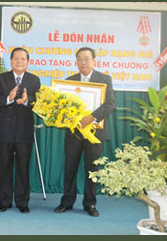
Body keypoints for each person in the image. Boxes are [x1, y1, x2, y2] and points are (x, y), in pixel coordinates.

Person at [54, 47, 115, 217]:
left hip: (95, 133)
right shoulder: (69, 81)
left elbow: (110, 104)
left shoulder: (104, 79)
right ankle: (67, 201)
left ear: (94, 60)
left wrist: (91, 117)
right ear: (76, 62)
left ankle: (90, 203)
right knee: (70, 168)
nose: (83, 62)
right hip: (74, 133)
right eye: (80, 59)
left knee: (92, 169)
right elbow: (63, 107)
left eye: (87, 59)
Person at [0, 47, 40, 214]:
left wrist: (27, 101)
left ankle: (22, 202)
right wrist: (8, 99)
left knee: (23, 168)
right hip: (5, 130)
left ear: (28, 62)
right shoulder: (1, 78)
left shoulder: (34, 80)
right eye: (16, 59)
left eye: (23, 59)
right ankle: (4, 201)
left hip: (24, 131)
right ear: (11, 61)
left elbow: (38, 102)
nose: (19, 61)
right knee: (4, 167)